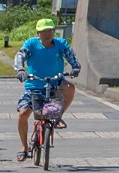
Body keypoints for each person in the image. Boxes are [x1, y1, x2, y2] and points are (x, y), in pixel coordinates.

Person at [14, 17, 80, 160]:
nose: (47, 34)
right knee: (23, 114)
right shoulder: (31, 44)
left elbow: (70, 55)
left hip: (55, 84)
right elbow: (20, 55)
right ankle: (24, 147)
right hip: (34, 86)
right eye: (44, 31)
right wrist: (20, 69)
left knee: (69, 87)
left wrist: (75, 67)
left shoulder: (60, 44)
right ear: (38, 33)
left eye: (50, 30)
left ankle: (58, 117)